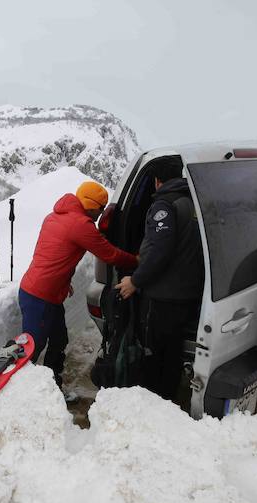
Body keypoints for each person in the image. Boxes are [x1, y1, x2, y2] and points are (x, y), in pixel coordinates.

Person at [19, 181, 138, 387]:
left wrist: (64, 280)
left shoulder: (54, 216)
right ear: (91, 205)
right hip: (41, 296)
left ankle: (52, 388)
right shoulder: (81, 225)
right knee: (31, 349)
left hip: (40, 290)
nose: (100, 215)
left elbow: (53, 253)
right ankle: (19, 394)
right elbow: (109, 254)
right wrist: (137, 261)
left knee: (58, 341)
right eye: (101, 209)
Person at [115, 159, 204, 403]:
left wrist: (135, 281)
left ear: (157, 181)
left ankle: (153, 403)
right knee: (172, 354)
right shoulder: (192, 203)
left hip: (163, 296)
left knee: (152, 353)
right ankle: (168, 399)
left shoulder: (164, 205)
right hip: (187, 294)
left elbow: (160, 250)